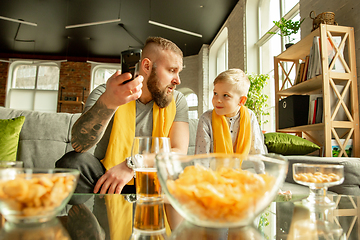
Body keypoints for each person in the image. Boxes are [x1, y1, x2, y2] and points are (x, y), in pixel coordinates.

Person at [56, 36, 189, 195]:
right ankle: (83, 217)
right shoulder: (104, 94)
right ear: (147, 66)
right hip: (106, 178)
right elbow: (79, 145)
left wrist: (132, 165)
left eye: (178, 72)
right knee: (72, 163)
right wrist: (110, 102)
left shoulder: (177, 100)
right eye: (172, 70)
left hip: (155, 177)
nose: (178, 80)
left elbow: (179, 152)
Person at [195, 68, 267, 156]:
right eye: (215, 93)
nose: (218, 100)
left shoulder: (250, 116)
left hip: (244, 169)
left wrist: (259, 170)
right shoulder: (206, 119)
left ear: (242, 101)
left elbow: (257, 151)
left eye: (226, 95)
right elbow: (202, 156)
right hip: (215, 169)